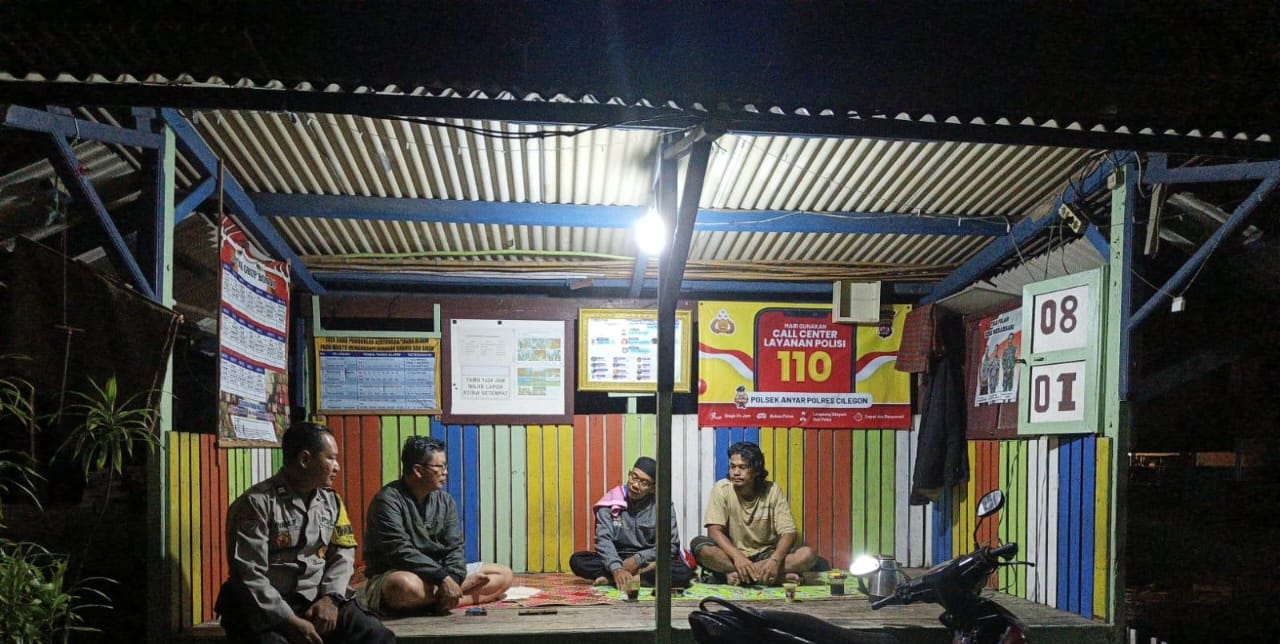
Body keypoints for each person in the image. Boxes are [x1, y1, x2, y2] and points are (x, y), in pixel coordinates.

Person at [216, 422, 394, 644]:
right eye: (331, 458)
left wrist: (331, 598)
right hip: (265, 606)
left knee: (377, 635)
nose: (337, 467)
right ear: (304, 459)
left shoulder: (332, 502)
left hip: (318, 599)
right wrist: (288, 620)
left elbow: (343, 554)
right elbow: (249, 575)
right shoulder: (257, 503)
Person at [358, 436, 514, 615]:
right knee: (403, 586)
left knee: (503, 574)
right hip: (403, 573)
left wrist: (454, 578)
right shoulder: (387, 501)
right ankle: (457, 595)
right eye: (440, 467)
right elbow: (400, 551)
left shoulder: (445, 501)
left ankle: (445, 598)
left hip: (440, 574)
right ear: (418, 470)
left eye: (445, 466)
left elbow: (455, 547)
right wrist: (443, 579)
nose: (445, 472)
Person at [690, 441, 817, 586]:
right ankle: (770, 576)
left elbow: (789, 532)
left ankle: (738, 576)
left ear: (756, 471)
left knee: (808, 555)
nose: (735, 472)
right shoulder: (722, 488)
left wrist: (775, 561)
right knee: (700, 547)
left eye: (742, 467)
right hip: (731, 555)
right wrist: (738, 557)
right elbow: (714, 531)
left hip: (765, 556)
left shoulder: (772, 490)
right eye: (732, 466)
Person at [568, 456, 695, 589]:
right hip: (618, 558)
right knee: (578, 560)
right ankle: (622, 576)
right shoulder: (610, 501)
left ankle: (629, 578)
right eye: (634, 477)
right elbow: (603, 539)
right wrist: (616, 568)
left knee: (683, 572)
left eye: (644, 483)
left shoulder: (663, 505)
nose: (635, 485)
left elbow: (670, 545)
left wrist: (638, 560)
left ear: (653, 488)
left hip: (649, 561)